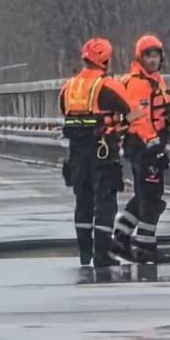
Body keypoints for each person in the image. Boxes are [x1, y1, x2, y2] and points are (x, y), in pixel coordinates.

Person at [60, 38, 140, 268]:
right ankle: (102, 254)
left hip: (76, 153)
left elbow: (65, 112)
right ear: (105, 59)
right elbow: (132, 112)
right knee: (105, 201)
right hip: (103, 150)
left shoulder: (69, 86)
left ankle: (85, 253)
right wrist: (122, 122)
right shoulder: (107, 84)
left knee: (82, 201)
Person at [111, 35, 170, 265]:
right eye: (148, 56)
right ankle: (145, 246)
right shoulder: (138, 82)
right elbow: (138, 117)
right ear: (140, 58)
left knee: (144, 194)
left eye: (156, 55)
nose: (153, 60)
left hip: (150, 143)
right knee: (151, 197)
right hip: (142, 144)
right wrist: (153, 145)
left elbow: (159, 113)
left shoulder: (155, 80)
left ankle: (121, 236)